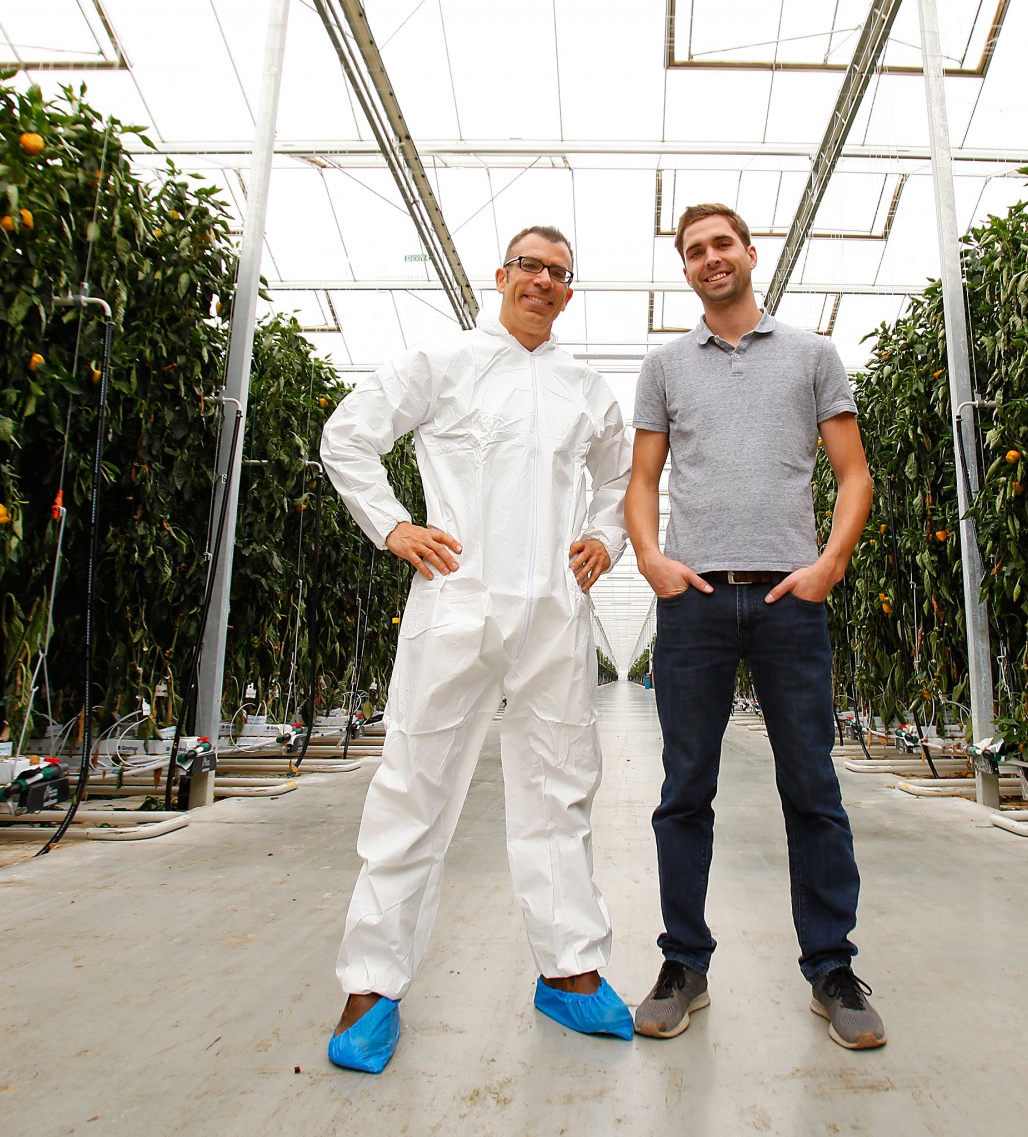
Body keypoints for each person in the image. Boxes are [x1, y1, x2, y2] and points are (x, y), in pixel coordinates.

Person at [318, 227, 635, 1073]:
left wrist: (605, 538)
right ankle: (370, 988)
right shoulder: (443, 362)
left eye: (560, 273)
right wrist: (392, 526)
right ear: (499, 277)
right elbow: (348, 435)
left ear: (569, 293)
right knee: (413, 786)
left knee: (558, 788)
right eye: (530, 266)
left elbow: (619, 481)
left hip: (555, 615)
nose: (543, 281)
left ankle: (569, 973)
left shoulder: (586, 388)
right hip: (456, 601)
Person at [626, 203, 884, 1050]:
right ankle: (683, 963)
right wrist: (652, 560)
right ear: (686, 267)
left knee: (811, 784)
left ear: (749, 252)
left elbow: (853, 474)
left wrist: (829, 564)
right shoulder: (665, 366)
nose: (710, 259)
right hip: (694, 603)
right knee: (684, 790)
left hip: (788, 600)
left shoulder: (812, 356)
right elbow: (642, 479)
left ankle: (832, 967)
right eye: (694, 251)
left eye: (722, 245)